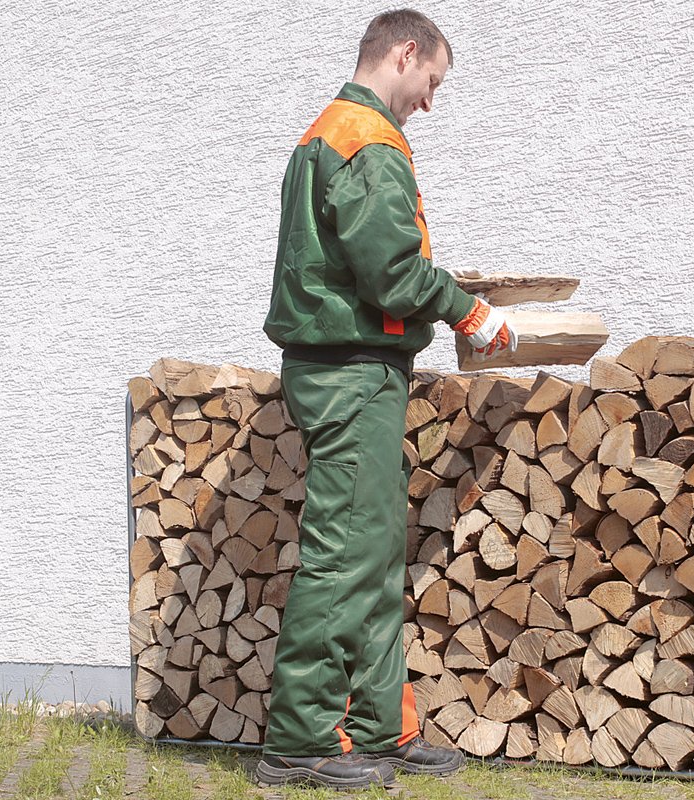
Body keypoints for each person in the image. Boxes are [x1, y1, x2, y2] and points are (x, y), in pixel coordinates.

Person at [256, 9, 516, 791]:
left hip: (354, 371)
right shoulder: (367, 139)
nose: (430, 101)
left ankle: (377, 727)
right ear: (404, 54)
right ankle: (299, 739)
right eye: (431, 81)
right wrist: (469, 310)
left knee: (371, 554)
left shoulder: (331, 133)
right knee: (345, 553)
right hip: (350, 372)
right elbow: (393, 274)